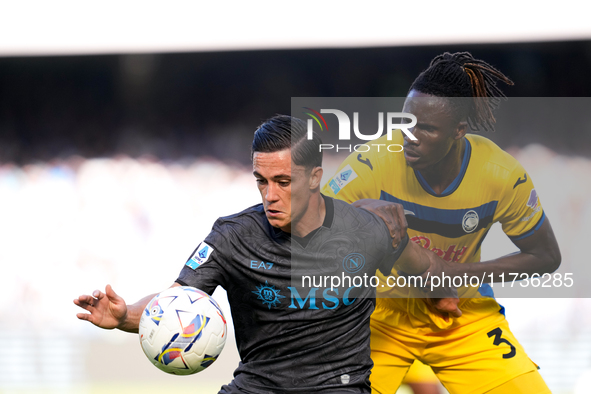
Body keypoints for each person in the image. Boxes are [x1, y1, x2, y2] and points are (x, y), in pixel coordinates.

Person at [74, 115, 460, 394]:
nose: (270, 195)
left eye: (283, 182)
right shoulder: (232, 236)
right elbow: (176, 302)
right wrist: (127, 316)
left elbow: (421, 267)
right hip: (258, 387)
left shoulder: (366, 230)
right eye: (262, 181)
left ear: (314, 177)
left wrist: (442, 292)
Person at [322, 52, 561, 394]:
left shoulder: (501, 175)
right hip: (381, 316)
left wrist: (455, 273)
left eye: (427, 128)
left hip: (463, 316)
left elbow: (546, 257)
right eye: (405, 121)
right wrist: (358, 212)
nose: (410, 135)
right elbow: (311, 230)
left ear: (458, 131)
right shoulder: (373, 162)